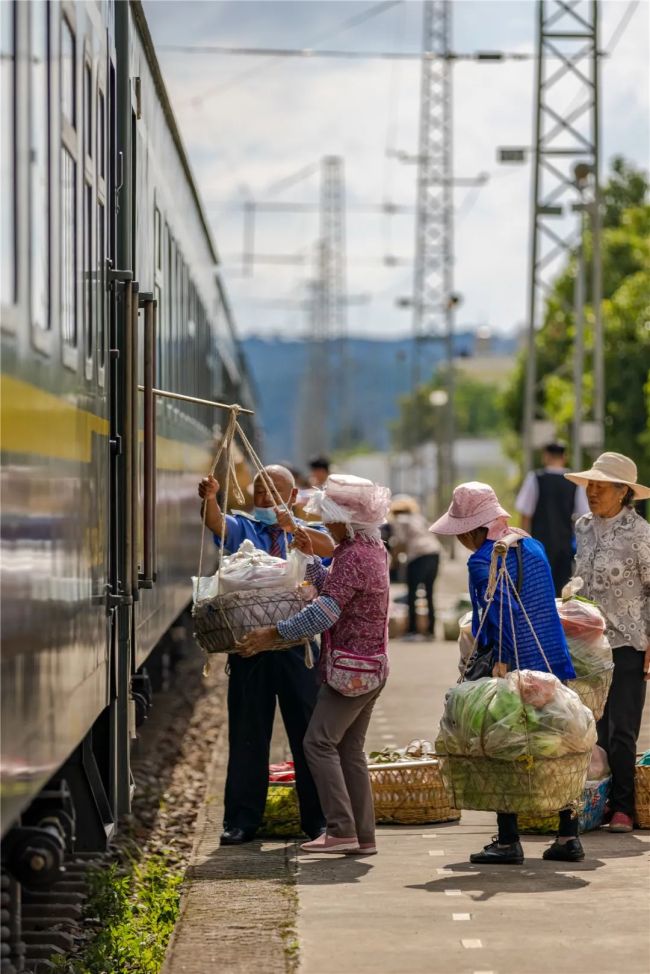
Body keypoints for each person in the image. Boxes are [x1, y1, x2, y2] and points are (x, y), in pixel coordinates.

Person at [238, 474, 391, 856]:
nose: (326, 526)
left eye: (329, 519)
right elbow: (333, 585)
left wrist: (273, 635)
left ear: (345, 520)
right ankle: (364, 836)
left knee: (318, 742)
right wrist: (307, 556)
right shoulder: (370, 549)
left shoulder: (353, 555)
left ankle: (340, 829)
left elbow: (325, 610)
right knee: (349, 751)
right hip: (371, 666)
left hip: (350, 669)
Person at [430, 482, 582, 865]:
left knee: (504, 748)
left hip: (513, 666)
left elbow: (498, 618)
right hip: (551, 661)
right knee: (556, 745)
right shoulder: (530, 545)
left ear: (469, 529)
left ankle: (508, 839)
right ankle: (567, 836)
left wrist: (497, 666)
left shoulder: (482, 560)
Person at [197, 464, 334, 845]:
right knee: (246, 733)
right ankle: (242, 820)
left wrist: (295, 529)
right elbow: (217, 524)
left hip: (296, 648)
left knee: (308, 735)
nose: (263, 499)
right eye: (258, 492)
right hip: (249, 647)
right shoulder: (247, 529)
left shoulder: (310, 533)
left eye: (273, 493)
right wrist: (209, 499)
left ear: (292, 497)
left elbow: (332, 549)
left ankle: (318, 820)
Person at [566, 452, 650, 833]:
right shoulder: (582, 527)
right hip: (586, 644)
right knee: (589, 726)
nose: (592, 492)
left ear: (623, 492)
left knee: (622, 730)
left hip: (628, 641)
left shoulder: (639, 533)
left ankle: (623, 807)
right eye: (590, 484)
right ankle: (594, 802)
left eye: (601, 486)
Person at [515, 442, 589, 596]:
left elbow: (525, 514)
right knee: (561, 591)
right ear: (565, 457)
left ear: (546, 456)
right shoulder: (574, 482)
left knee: (537, 589)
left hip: (538, 545)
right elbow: (583, 516)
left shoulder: (535, 478)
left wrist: (522, 544)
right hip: (564, 545)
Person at [389, 495, 441, 640]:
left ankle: (412, 630)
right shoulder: (419, 518)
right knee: (429, 592)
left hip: (418, 557)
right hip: (434, 553)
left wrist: (394, 562)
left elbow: (400, 543)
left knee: (412, 592)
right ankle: (430, 631)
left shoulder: (399, 520)